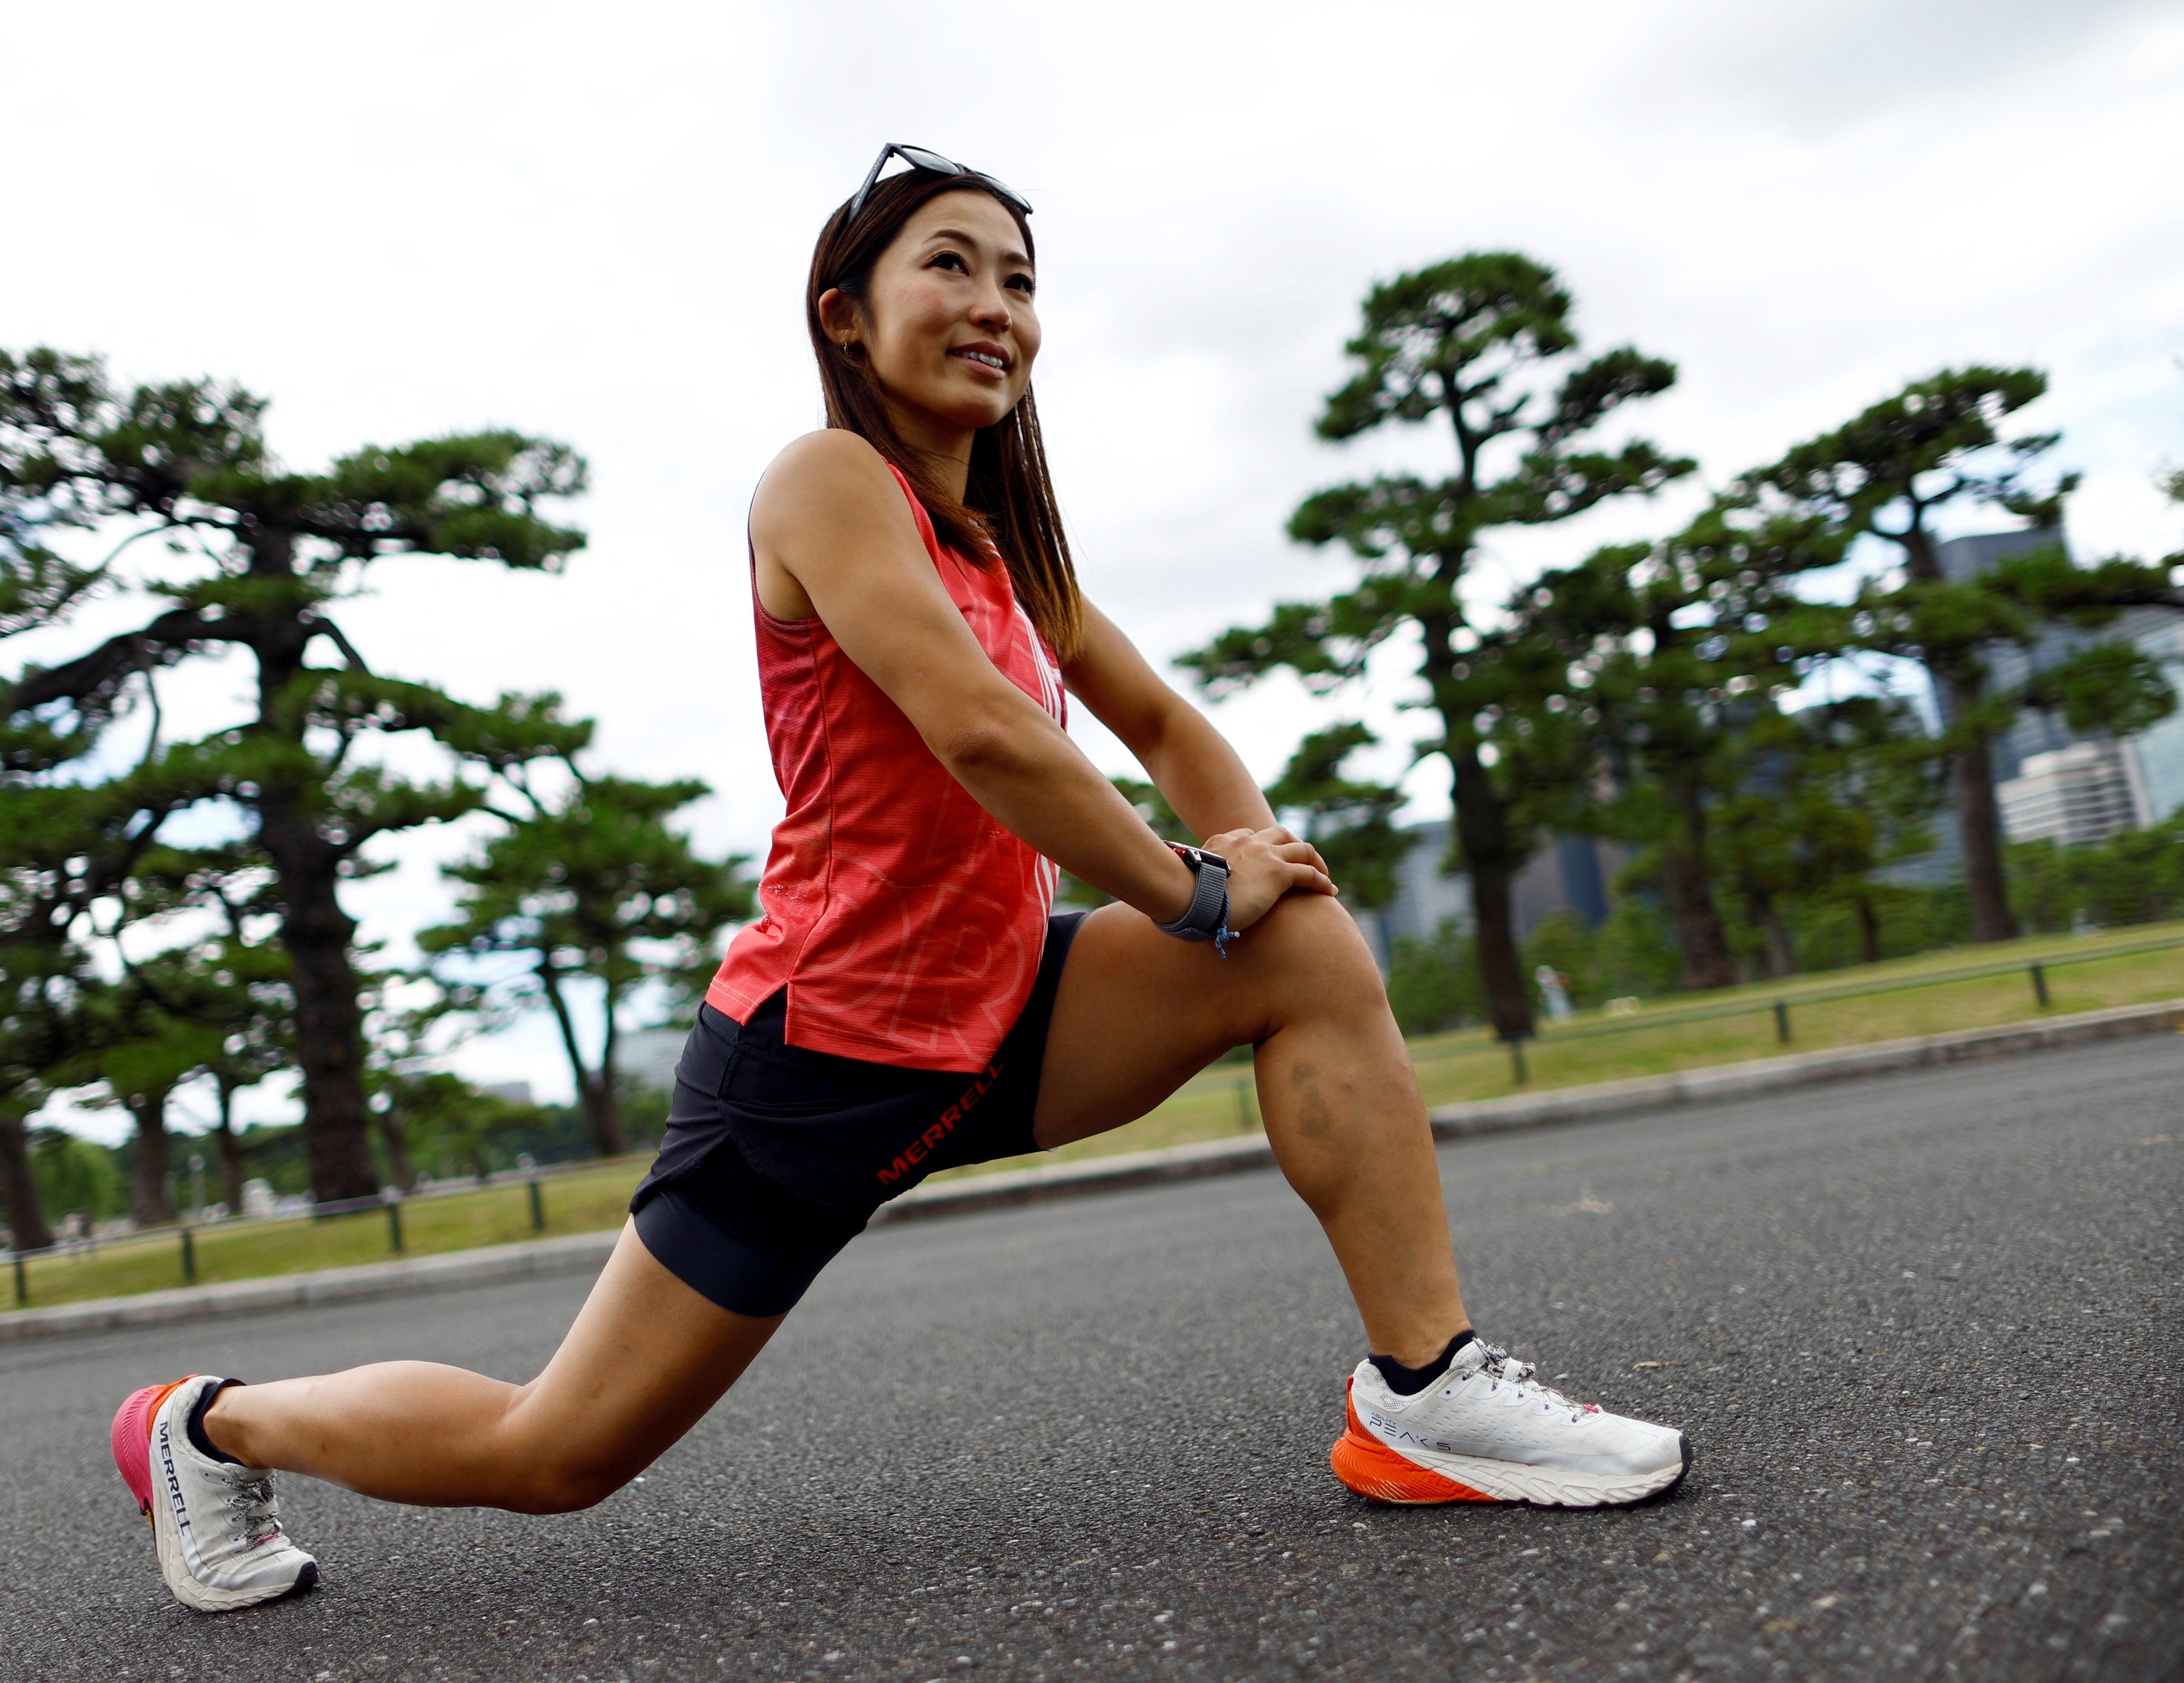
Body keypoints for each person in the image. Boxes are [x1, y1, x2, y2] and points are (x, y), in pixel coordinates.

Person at [109, 143, 1690, 1614]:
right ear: (847, 318)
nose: (996, 307)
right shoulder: (823, 481)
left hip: (998, 1017)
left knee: (1309, 950)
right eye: (952, 266)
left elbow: (1158, 719)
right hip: (818, 1062)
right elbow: (986, 737)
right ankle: (208, 1425)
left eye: (1018, 279)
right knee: (555, 1456)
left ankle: (1424, 1394)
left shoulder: (1006, 549)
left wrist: (1259, 870)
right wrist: (1193, 891)